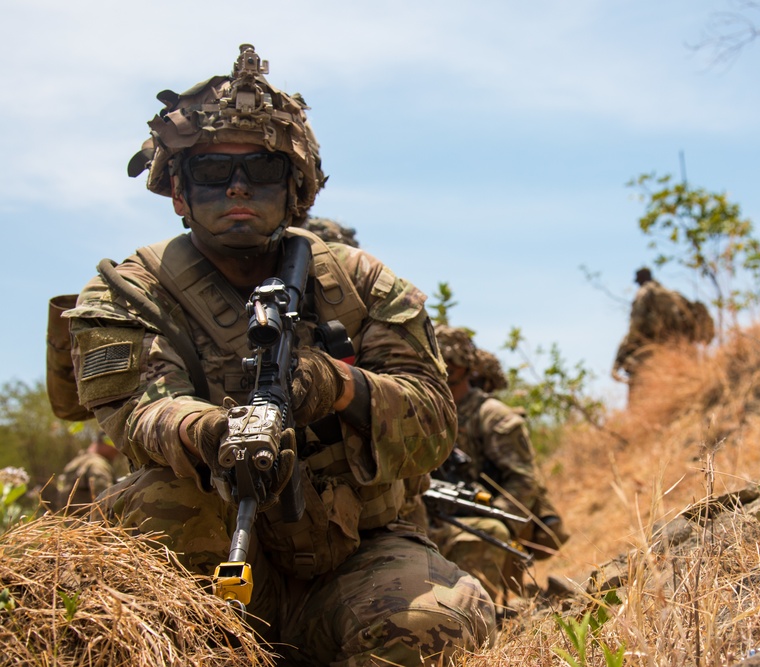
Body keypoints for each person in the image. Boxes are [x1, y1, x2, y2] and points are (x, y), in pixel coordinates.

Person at [64, 44, 494, 665]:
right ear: (179, 192)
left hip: (357, 560)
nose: (238, 186)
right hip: (211, 559)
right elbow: (137, 413)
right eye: (213, 171)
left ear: (296, 189)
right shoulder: (129, 291)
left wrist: (338, 388)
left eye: (262, 169)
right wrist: (214, 434)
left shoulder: (362, 286)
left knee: (442, 624)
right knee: (152, 511)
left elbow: (433, 424)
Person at [427, 325, 569, 602]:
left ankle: (484, 608)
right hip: (447, 509)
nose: (444, 368)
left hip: (501, 514)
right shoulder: (432, 412)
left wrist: (495, 516)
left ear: (465, 366)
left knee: (483, 535)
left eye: (451, 362)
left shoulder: (492, 416)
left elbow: (524, 481)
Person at [612, 267, 713, 397]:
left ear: (641, 279)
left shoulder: (643, 293)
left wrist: (621, 355)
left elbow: (635, 327)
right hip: (680, 352)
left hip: (653, 353)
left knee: (640, 394)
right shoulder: (673, 294)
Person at [53, 428, 119, 514]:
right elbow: (107, 501)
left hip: (72, 524)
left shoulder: (75, 462)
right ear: (106, 443)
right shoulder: (98, 465)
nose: (117, 451)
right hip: (92, 524)